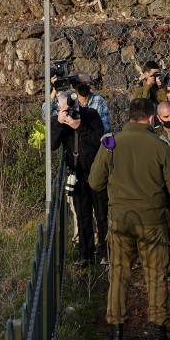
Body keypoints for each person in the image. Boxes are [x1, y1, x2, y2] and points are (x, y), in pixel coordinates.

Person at [89, 98, 170, 340]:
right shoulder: (160, 146)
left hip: (120, 218)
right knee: (156, 275)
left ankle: (116, 332)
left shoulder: (111, 143)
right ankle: (159, 333)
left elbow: (95, 182)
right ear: (151, 118)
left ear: (130, 116)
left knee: (119, 275)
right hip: (152, 220)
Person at [51, 90, 107, 267]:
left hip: (96, 173)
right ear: (59, 109)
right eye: (67, 109)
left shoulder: (90, 115)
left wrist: (79, 126)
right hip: (77, 174)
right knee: (82, 216)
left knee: (102, 214)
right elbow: (52, 145)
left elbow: (98, 140)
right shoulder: (59, 121)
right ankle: (86, 254)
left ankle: (106, 252)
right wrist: (59, 123)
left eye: (74, 106)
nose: (72, 111)